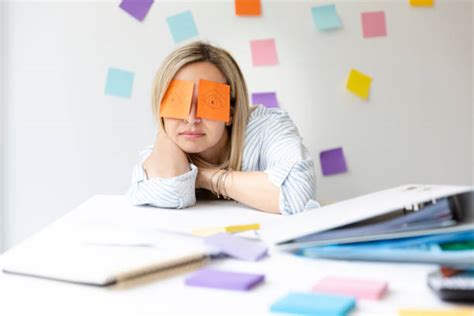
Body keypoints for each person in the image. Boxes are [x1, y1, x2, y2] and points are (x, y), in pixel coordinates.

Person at [126, 41, 320, 215]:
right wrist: (165, 133)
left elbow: (297, 197)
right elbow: (170, 194)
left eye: (210, 101)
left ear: (230, 111)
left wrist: (205, 176)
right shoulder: (161, 152)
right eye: (176, 102)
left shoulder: (268, 125)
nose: (191, 119)